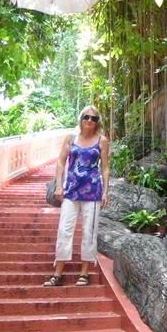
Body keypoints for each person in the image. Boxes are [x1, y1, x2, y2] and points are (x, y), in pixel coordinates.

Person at [43, 105, 110, 287]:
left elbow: (104, 167)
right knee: (65, 229)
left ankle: (84, 272)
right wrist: (58, 185)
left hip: (93, 191)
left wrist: (105, 191)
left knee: (89, 231)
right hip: (71, 190)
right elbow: (60, 161)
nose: (89, 121)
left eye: (93, 118)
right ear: (81, 118)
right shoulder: (71, 138)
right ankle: (57, 273)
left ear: (98, 122)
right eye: (86, 117)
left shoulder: (102, 140)